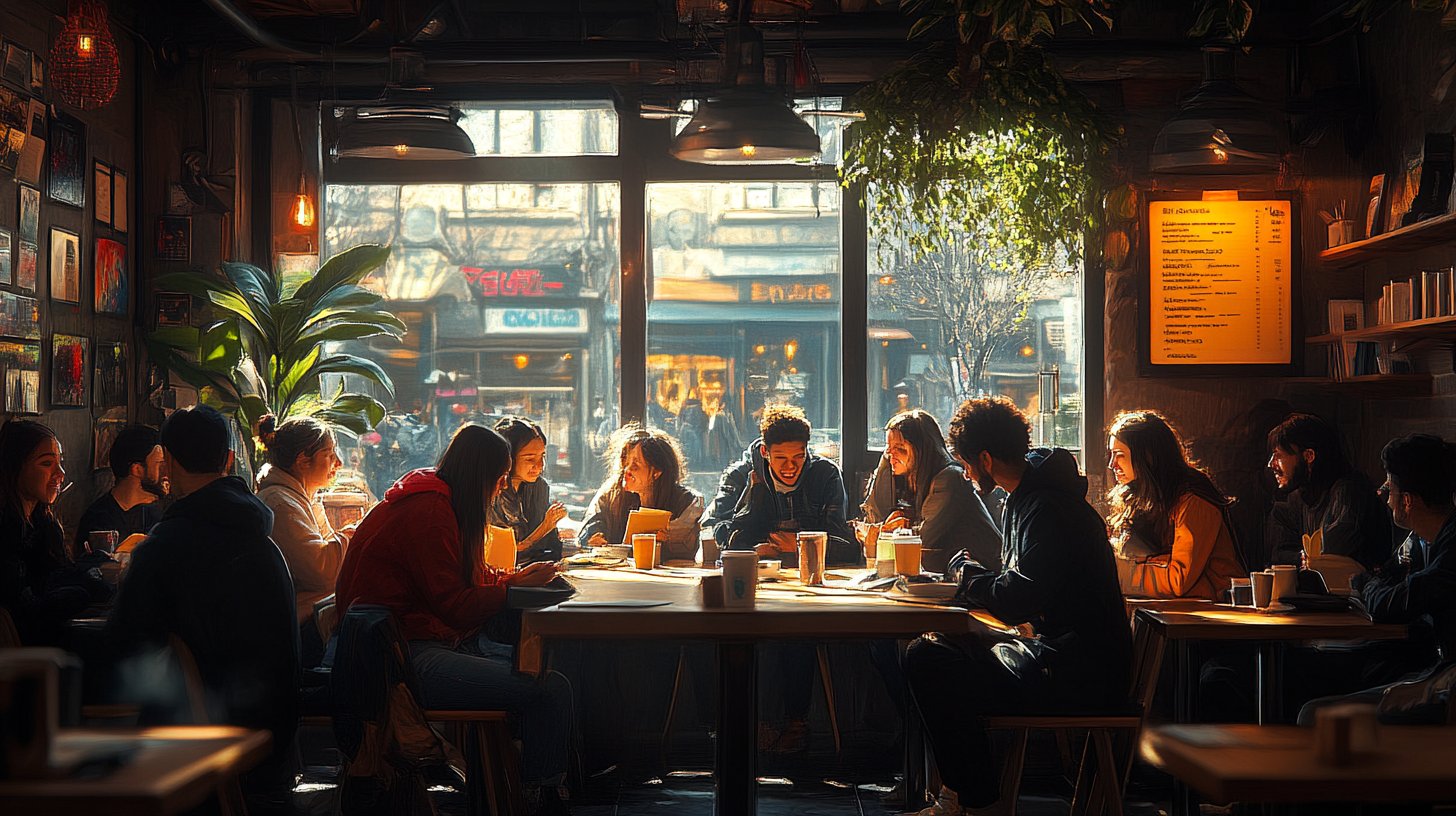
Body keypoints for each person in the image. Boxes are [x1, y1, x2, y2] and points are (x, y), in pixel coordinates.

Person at [904, 397, 1131, 816]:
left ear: (985, 459)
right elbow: (1022, 592)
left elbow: (1020, 598)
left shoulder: (1048, 507)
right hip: (1062, 657)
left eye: (966, 463)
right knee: (936, 648)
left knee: (928, 657)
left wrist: (968, 577)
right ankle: (963, 794)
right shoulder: (1030, 497)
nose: (966, 473)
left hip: (1079, 675)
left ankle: (974, 801)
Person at [335, 424, 572, 814]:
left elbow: (461, 583)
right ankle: (538, 801)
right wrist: (510, 590)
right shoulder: (430, 512)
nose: (499, 488)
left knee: (537, 665)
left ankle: (512, 792)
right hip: (398, 664)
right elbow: (455, 605)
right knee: (551, 688)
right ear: (483, 476)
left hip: (403, 646)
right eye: (498, 479)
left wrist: (513, 579)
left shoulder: (433, 497)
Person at [105, 405, 299, 808]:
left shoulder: (165, 547)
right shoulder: (262, 540)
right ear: (229, 460)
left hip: (201, 748)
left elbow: (123, 651)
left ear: (168, 464)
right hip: (275, 741)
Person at [1298, 433, 1456, 726]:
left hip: (1447, 680)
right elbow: (1386, 577)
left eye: (1388, 486)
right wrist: (1371, 582)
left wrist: (1362, 581)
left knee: (1315, 716)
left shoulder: (1451, 545)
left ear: (1407, 500)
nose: (1382, 494)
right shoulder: (1420, 540)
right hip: (1432, 666)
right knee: (1306, 674)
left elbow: (1389, 600)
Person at [1106, 410, 1244, 599]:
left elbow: (1177, 579)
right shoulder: (1139, 497)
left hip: (1214, 615)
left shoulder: (1193, 502)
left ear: (1147, 456)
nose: (1111, 464)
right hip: (1175, 612)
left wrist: (1121, 570)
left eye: (1119, 454)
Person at [0, 420, 107, 645]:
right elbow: (27, 612)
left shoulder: (43, 524)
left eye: (60, 462)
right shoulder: (6, 533)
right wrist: (81, 589)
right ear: (14, 467)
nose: (60, 473)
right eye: (47, 463)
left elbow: (56, 575)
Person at [712, 403, 858, 566]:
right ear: (764, 452)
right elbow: (720, 533)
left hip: (813, 573)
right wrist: (752, 550)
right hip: (754, 571)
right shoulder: (738, 477)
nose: (790, 467)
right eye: (781, 458)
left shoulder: (826, 475)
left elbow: (846, 546)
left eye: (798, 457)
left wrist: (801, 544)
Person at [862, 409, 1001, 572]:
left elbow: (923, 542)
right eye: (888, 448)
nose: (890, 454)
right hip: (959, 574)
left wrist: (896, 531)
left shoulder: (949, 479)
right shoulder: (912, 479)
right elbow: (875, 516)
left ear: (923, 450)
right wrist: (886, 460)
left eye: (900, 448)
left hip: (985, 576)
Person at [1266, 413, 1394, 575]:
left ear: (1309, 456)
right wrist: (1303, 558)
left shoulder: (1350, 492)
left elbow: (1330, 556)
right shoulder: (1297, 498)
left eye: (1278, 455)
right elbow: (1277, 555)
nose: (1271, 464)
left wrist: (1303, 558)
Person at [253, 415, 350, 627]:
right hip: (287, 624)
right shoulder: (280, 505)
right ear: (303, 460)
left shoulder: (303, 496)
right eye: (329, 454)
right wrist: (357, 532)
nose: (339, 463)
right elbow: (324, 573)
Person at [580, 424, 704, 562]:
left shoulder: (686, 502)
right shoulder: (611, 495)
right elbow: (590, 527)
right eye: (624, 463)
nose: (627, 470)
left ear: (657, 472)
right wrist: (592, 538)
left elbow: (690, 547)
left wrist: (669, 540)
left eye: (635, 465)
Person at [74, 425, 167, 549]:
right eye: (160, 465)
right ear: (137, 469)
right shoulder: (97, 520)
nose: (167, 472)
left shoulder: (160, 517)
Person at [490, 416, 567, 565]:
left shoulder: (539, 487)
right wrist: (545, 526)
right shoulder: (492, 491)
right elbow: (504, 552)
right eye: (530, 459)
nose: (539, 465)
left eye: (542, 456)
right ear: (509, 458)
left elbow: (551, 547)